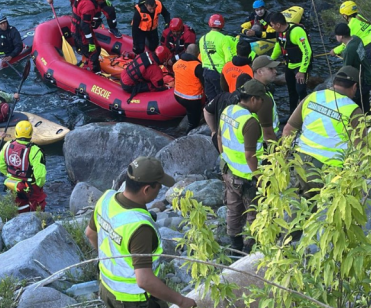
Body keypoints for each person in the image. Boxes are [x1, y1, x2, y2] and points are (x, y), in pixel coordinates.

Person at [84, 156, 197, 308]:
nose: (160, 191)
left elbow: (90, 234)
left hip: (107, 289)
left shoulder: (106, 198)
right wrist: (182, 301)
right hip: (133, 300)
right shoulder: (139, 227)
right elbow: (144, 280)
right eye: (159, 187)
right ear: (147, 189)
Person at [282, 66, 363, 195]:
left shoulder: (312, 97)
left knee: (303, 209)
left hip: (301, 163)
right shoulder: (353, 109)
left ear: (334, 82)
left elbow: (288, 130)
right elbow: (362, 148)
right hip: (330, 172)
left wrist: (283, 159)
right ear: (354, 87)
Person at [219, 79, 268, 253]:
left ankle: (235, 247)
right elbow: (250, 155)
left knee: (233, 210)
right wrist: (259, 177)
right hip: (247, 178)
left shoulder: (228, 110)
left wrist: (224, 158)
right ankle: (251, 248)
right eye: (262, 99)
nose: (263, 103)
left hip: (229, 171)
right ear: (253, 99)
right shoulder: (250, 122)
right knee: (254, 213)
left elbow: (219, 137)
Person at [0, 120, 47, 213]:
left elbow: (0, 165)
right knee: (37, 208)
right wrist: (38, 186)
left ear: (16, 133)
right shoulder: (35, 150)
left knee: (18, 206)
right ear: (31, 134)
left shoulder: (8, 145)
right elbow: (40, 176)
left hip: (13, 185)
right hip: (30, 187)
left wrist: (11, 175)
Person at [269, 12, 312, 113]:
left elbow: (307, 52)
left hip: (301, 66)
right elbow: (278, 47)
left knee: (300, 91)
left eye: (272, 25)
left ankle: (305, 115)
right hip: (289, 65)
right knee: (291, 92)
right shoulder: (279, 32)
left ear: (278, 25)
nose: (271, 27)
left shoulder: (297, 32)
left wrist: (302, 71)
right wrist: (270, 61)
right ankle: (292, 115)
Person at [333, 23, 371, 114]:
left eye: (336, 35)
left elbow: (346, 70)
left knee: (358, 106)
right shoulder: (356, 38)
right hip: (368, 74)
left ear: (341, 36)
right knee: (365, 104)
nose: (335, 37)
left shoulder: (349, 51)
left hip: (362, 81)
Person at [204, 73, 253, 152]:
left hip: (220, 141)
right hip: (238, 148)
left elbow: (206, 111)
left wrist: (213, 131)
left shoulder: (220, 97)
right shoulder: (248, 105)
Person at [335, 0, 371, 76]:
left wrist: (334, 51)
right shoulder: (360, 18)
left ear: (345, 15)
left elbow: (346, 43)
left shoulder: (351, 26)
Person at [198, 14, 235, 102]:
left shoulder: (202, 39)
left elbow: (202, 56)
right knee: (222, 98)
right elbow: (228, 58)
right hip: (219, 73)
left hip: (206, 72)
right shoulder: (224, 38)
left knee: (211, 98)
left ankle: (211, 113)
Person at [173, 44, 204, 133]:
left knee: (190, 111)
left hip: (177, 95)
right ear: (197, 54)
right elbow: (204, 83)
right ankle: (189, 135)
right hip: (191, 99)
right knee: (193, 122)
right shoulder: (197, 66)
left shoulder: (177, 64)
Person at [71, 0, 103, 72]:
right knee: (93, 53)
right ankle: (95, 73)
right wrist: (91, 42)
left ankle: (87, 64)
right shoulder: (89, 7)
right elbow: (84, 26)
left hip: (78, 28)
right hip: (80, 31)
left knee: (97, 48)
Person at [250, 55, 280, 142]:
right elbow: (268, 133)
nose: (275, 71)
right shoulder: (261, 96)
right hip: (263, 145)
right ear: (259, 72)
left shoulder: (260, 89)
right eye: (271, 69)